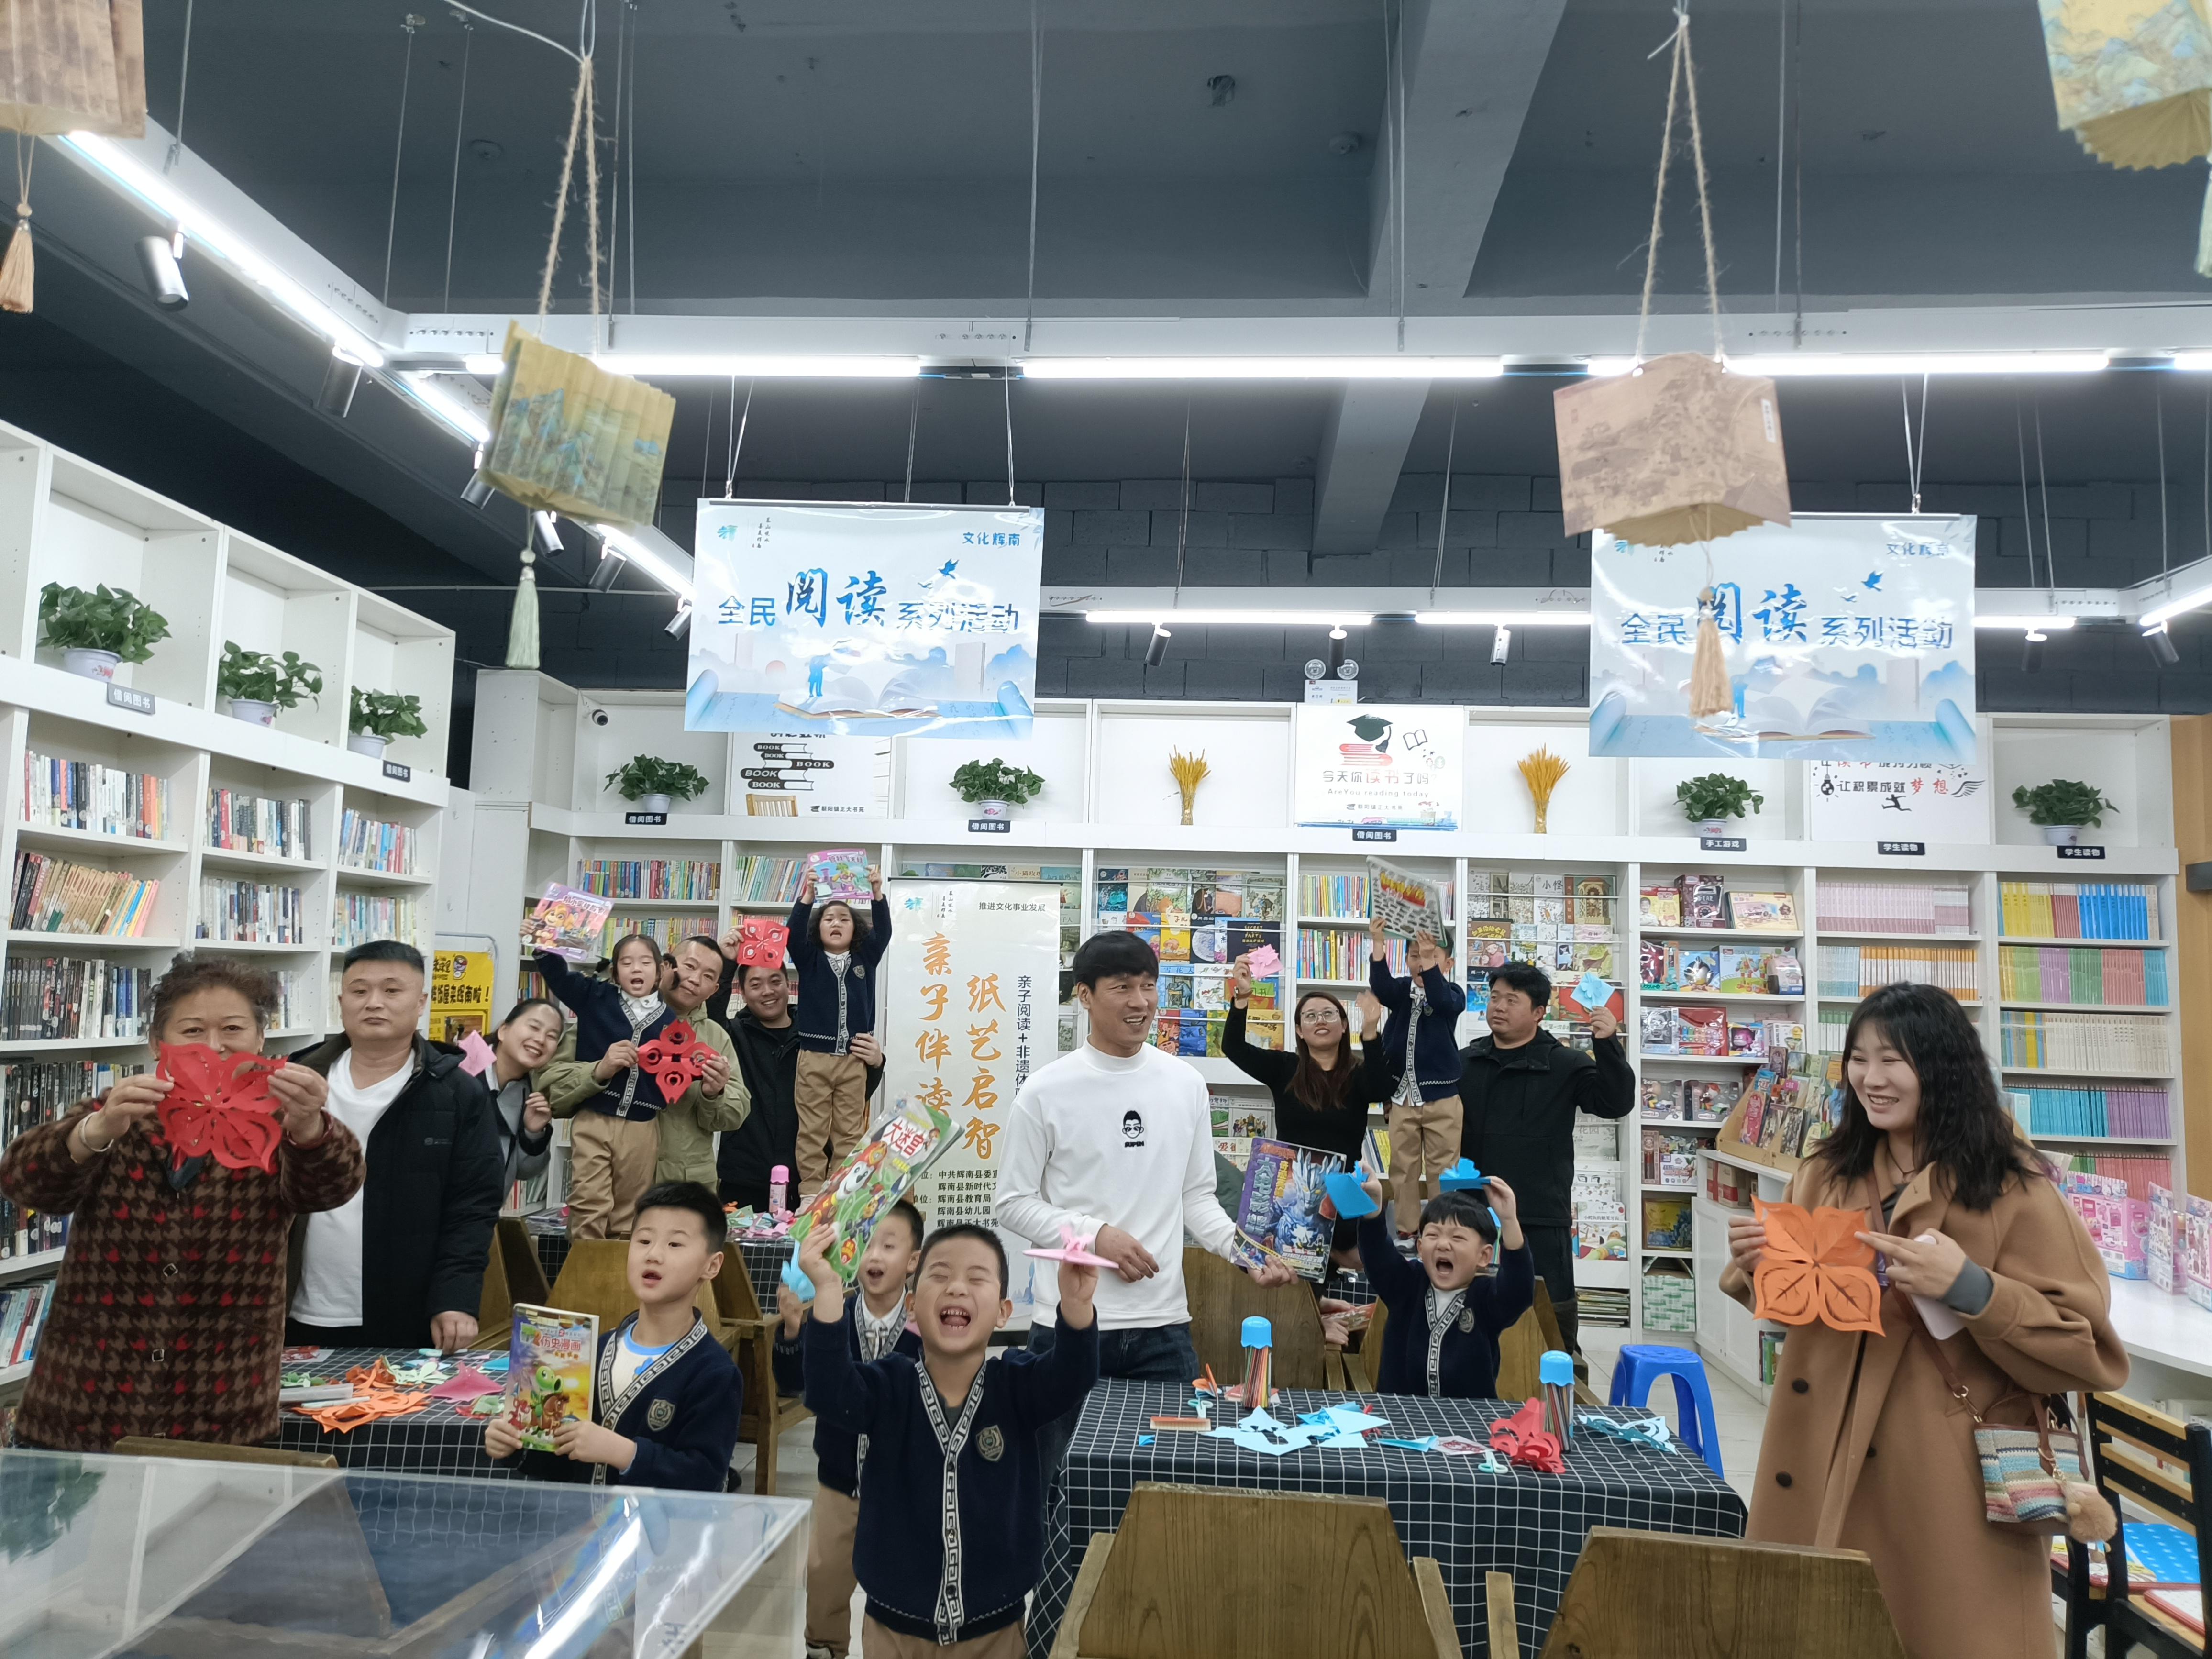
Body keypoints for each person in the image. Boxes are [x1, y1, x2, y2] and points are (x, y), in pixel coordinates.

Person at [1719, 983, 2126, 1659]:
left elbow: (2086, 1348)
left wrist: (1972, 1289)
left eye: (1893, 1060)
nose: (1871, 1079)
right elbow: (1805, 1313)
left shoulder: (2011, 1188)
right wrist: (1764, 1266)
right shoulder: (1827, 1173)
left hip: (1944, 1475)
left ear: (1942, 1068)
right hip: (1821, 1457)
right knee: (1814, 1629)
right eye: (1859, 1059)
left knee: (1946, 1631)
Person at [0, 954, 362, 1450]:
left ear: (260, 1038)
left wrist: (312, 1128)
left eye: (233, 1028)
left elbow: (331, 1188)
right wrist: (95, 1130)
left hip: (222, 1398)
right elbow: (25, 1184)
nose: (214, 1046)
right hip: (88, 1398)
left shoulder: (280, 1122)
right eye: (192, 1030)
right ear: (157, 1042)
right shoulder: (121, 1112)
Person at [995, 929, 1293, 1521]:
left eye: (1149, 986)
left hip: (1163, 1331)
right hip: (1070, 1328)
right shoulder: (1045, 1091)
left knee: (1166, 1501)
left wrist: (1245, 1253)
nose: (1140, 1002)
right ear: (1084, 995)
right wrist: (1094, 1235)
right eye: (1122, 988)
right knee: (1059, 1492)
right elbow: (1012, 1203)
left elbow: (1197, 1198)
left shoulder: (1183, 1084)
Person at [799, 1220, 1099, 1658]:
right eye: (939, 1275)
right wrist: (828, 1290)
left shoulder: (1015, 1386)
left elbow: (1072, 1377)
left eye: (977, 1278)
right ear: (911, 1306)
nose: (957, 1288)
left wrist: (1075, 1306)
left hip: (995, 1629)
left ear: (1003, 1311)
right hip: (893, 1629)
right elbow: (830, 1392)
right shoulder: (889, 1386)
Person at [288, 941, 503, 1351]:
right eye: (359, 991)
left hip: (407, 1308)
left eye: (391, 990)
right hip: (295, 1306)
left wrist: (456, 1298)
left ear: (421, 1002)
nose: (374, 1003)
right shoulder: (298, 1079)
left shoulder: (456, 1092)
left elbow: (473, 1205)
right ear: (341, 1002)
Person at [487, 1180, 743, 1491]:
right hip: (579, 1520)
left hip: (658, 1523)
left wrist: (624, 1454)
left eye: (675, 1245)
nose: (654, 1255)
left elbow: (705, 1478)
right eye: (644, 1240)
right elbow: (559, 1460)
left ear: (712, 1265)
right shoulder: (589, 1352)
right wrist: (516, 1446)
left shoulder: (714, 1372)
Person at [774, 1200, 926, 1659]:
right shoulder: (831, 1311)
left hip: (903, 1489)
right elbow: (794, 1385)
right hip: (839, 1481)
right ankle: (823, 1649)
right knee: (824, 1579)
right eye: (865, 1243)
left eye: (889, 1246)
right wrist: (793, 1332)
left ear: (914, 1260)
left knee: (900, 1587)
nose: (873, 1256)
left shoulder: (927, 1324)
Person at [1456, 959, 1631, 1356]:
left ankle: (1560, 1385)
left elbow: (1615, 1102)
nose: (1499, 1007)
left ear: (1538, 1012)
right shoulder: (1466, 1061)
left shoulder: (1565, 1064)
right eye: (1495, 997)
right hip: (1472, 1213)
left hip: (1540, 1216)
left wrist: (1607, 1044)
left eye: (1512, 1000)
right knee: (1471, 1318)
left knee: (1549, 1321)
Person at [540, 937, 750, 1190]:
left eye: (708, 976)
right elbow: (550, 1091)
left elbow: (734, 1116)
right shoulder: (603, 1016)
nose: (695, 980)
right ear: (665, 966)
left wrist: (715, 1094)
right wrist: (597, 1072)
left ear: (714, 990)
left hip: (683, 1187)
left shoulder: (716, 1038)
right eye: (690, 966)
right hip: (613, 1178)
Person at [1222, 966, 1387, 1260]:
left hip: (1343, 1190)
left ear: (1344, 1025)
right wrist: (1243, 996)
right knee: (1282, 1266)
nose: (1320, 1020)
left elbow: (1381, 1088)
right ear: (1299, 1030)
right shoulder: (1284, 1068)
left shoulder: (1358, 1074)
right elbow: (1233, 1047)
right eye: (1310, 1016)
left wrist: (1371, 1032)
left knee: (1362, 1260)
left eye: (1329, 1014)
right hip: (1291, 1192)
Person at [532, 932, 684, 1239]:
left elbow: (675, 1074)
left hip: (642, 1126)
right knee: (588, 1203)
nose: (636, 969)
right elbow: (559, 977)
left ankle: (618, 1270)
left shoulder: (671, 1021)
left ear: (660, 971)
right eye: (627, 963)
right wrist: (545, 940)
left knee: (629, 1212)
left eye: (645, 962)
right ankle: (585, 1268)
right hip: (595, 1118)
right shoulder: (595, 996)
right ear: (615, 972)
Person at [707, 948, 883, 1211]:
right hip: (745, 1180)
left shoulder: (819, 1036)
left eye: (775, 981)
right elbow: (709, 1015)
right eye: (755, 985)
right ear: (741, 992)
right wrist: (728, 961)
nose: (767, 991)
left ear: (789, 985)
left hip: (809, 1183)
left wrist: (876, 1064)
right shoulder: (732, 1035)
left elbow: (852, 1096)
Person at [1352, 1171, 1532, 1397]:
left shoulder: (1486, 1298)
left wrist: (1509, 1221)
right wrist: (1372, 1210)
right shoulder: (1407, 1285)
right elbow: (1378, 1256)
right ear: (1420, 1248)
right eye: (1433, 1235)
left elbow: (1518, 1291)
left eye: (1458, 1238)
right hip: (1399, 1412)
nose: (1443, 1245)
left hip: (1471, 1416)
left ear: (1484, 1256)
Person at [787, 865, 892, 1198]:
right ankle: (810, 1191)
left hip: (853, 1060)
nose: (836, 923)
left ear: (856, 929)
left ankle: (840, 1191)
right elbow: (792, 935)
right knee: (812, 1129)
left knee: (850, 1130)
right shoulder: (809, 960)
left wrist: (877, 893)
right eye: (829, 919)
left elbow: (884, 931)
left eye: (844, 919)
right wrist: (807, 897)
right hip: (814, 1059)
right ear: (818, 928)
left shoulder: (866, 958)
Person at [1368, 919, 1467, 1239]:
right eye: (1415, 956)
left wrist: (1429, 966)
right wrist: (1378, 942)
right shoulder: (1401, 991)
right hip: (1402, 1097)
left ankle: (1443, 1230)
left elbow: (1439, 1000)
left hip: (1443, 1098)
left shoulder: (1453, 995)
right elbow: (1381, 987)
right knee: (1403, 1167)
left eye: (1431, 956)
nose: (1421, 963)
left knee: (1444, 1169)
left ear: (1448, 964)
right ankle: (1407, 1231)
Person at [486, 998, 566, 1195]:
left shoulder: (532, 1094)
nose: (541, 1040)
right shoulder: (459, 1075)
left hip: (485, 1210)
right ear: (503, 1031)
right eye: (534, 1027)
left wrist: (533, 1133)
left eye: (552, 1036)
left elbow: (525, 1172)